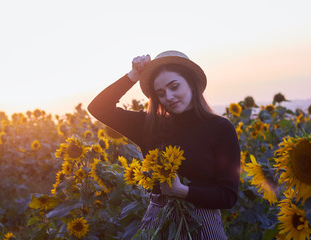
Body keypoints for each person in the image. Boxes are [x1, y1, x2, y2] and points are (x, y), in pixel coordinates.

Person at [87, 50, 241, 239]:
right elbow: (98, 108)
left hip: (203, 224)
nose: (168, 96)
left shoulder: (220, 128)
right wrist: (133, 76)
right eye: (160, 93)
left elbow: (228, 195)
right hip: (158, 222)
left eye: (174, 86)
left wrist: (183, 191)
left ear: (192, 83)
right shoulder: (149, 126)